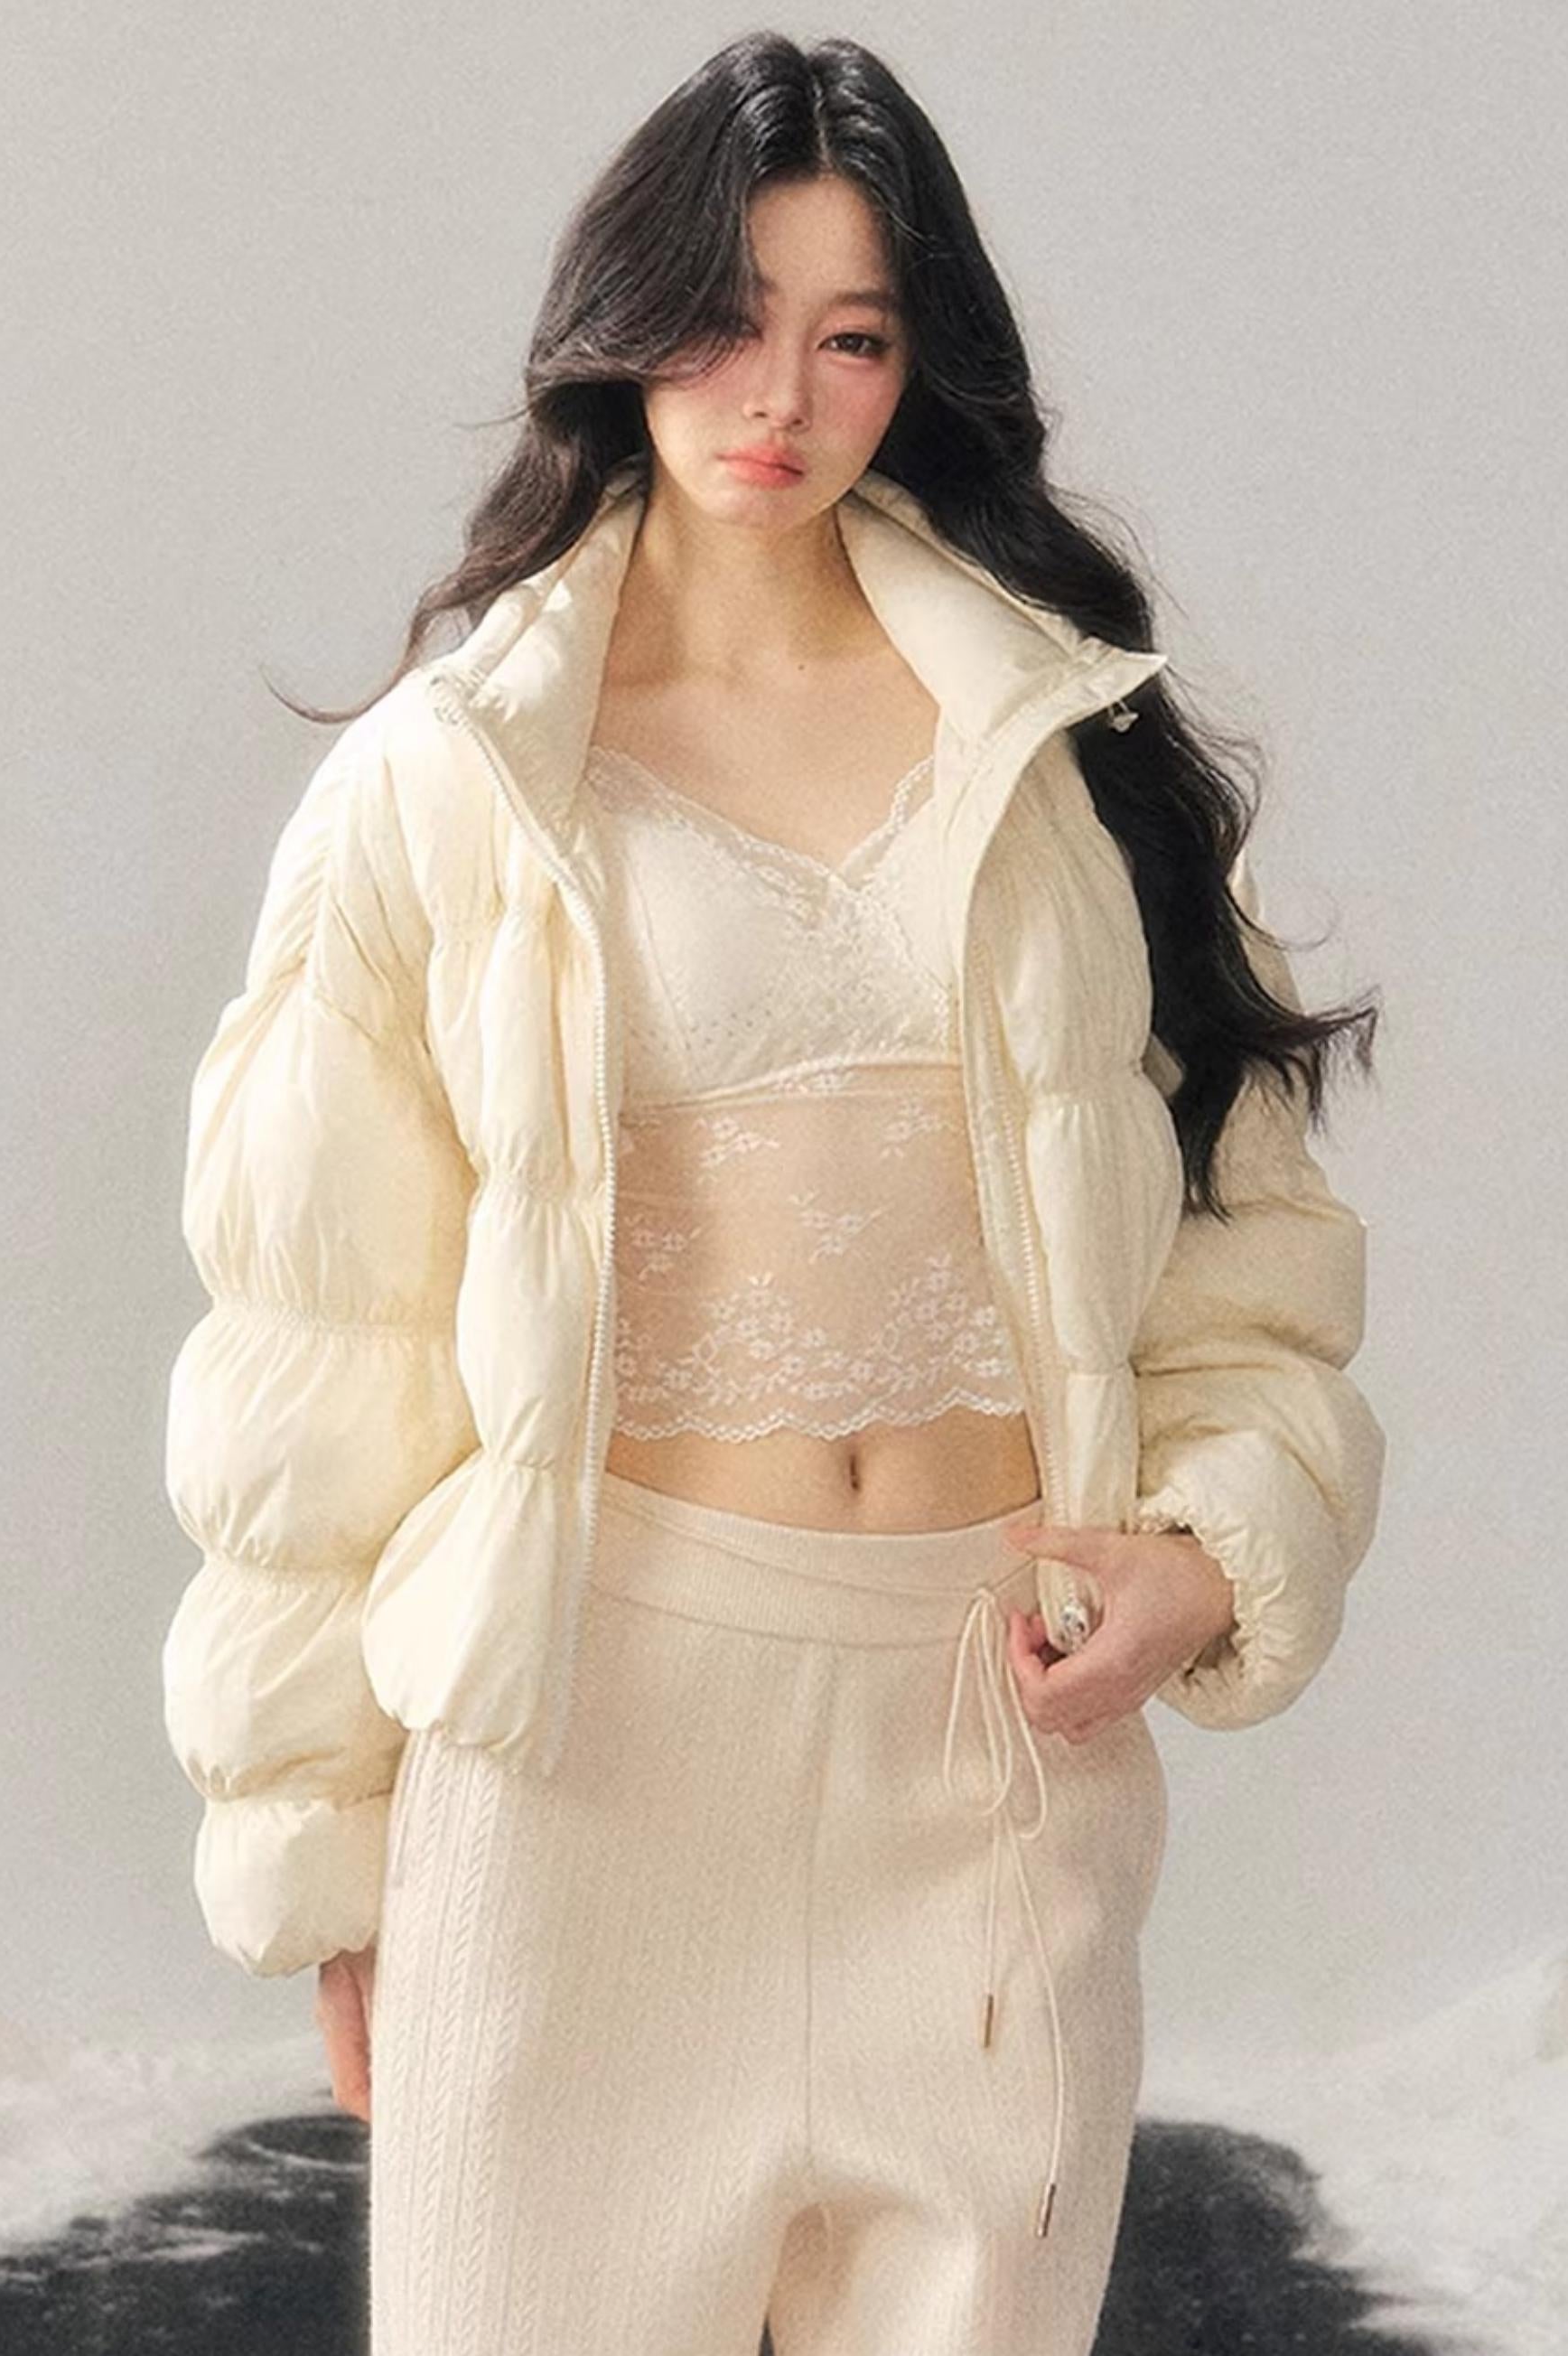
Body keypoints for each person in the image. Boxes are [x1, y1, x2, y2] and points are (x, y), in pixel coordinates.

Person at [160, 32, 1386, 2356]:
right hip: (585, 1752)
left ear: (917, 369)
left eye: (851, 335)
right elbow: (318, 1354)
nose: (777, 396)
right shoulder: (453, 782)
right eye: (724, 320)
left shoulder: (1063, 753)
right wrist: (327, 1859)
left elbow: (1251, 1264)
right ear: (620, 329)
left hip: (983, 1745)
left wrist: (1206, 1548)